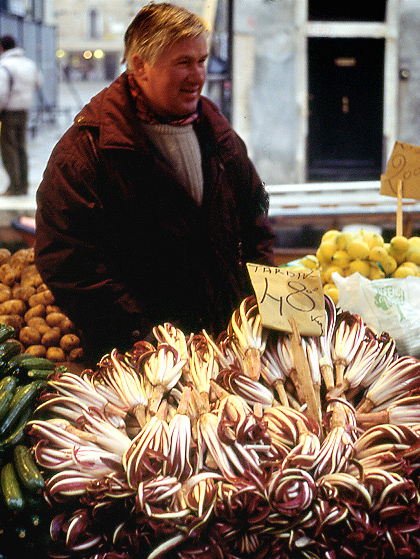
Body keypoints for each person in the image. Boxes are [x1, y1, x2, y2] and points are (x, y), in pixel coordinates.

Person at [34, 2, 276, 364]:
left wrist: (262, 308)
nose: (197, 76)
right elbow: (70, 263)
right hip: (140, 363)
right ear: (139, 65)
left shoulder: (219, 134)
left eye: (201, 61)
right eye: (182, 63)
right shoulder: (86, 154)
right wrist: (146, 339)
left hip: (227, 351)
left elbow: (255, 223)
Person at [0, 35, 42, 196]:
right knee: (21, 148)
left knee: (8, 150)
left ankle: (14, 187)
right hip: (24, 111)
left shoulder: (4, 66)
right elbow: (39, 82)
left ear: (0, 47)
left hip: (7, 113)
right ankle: (23, 185)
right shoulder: (29, 64)